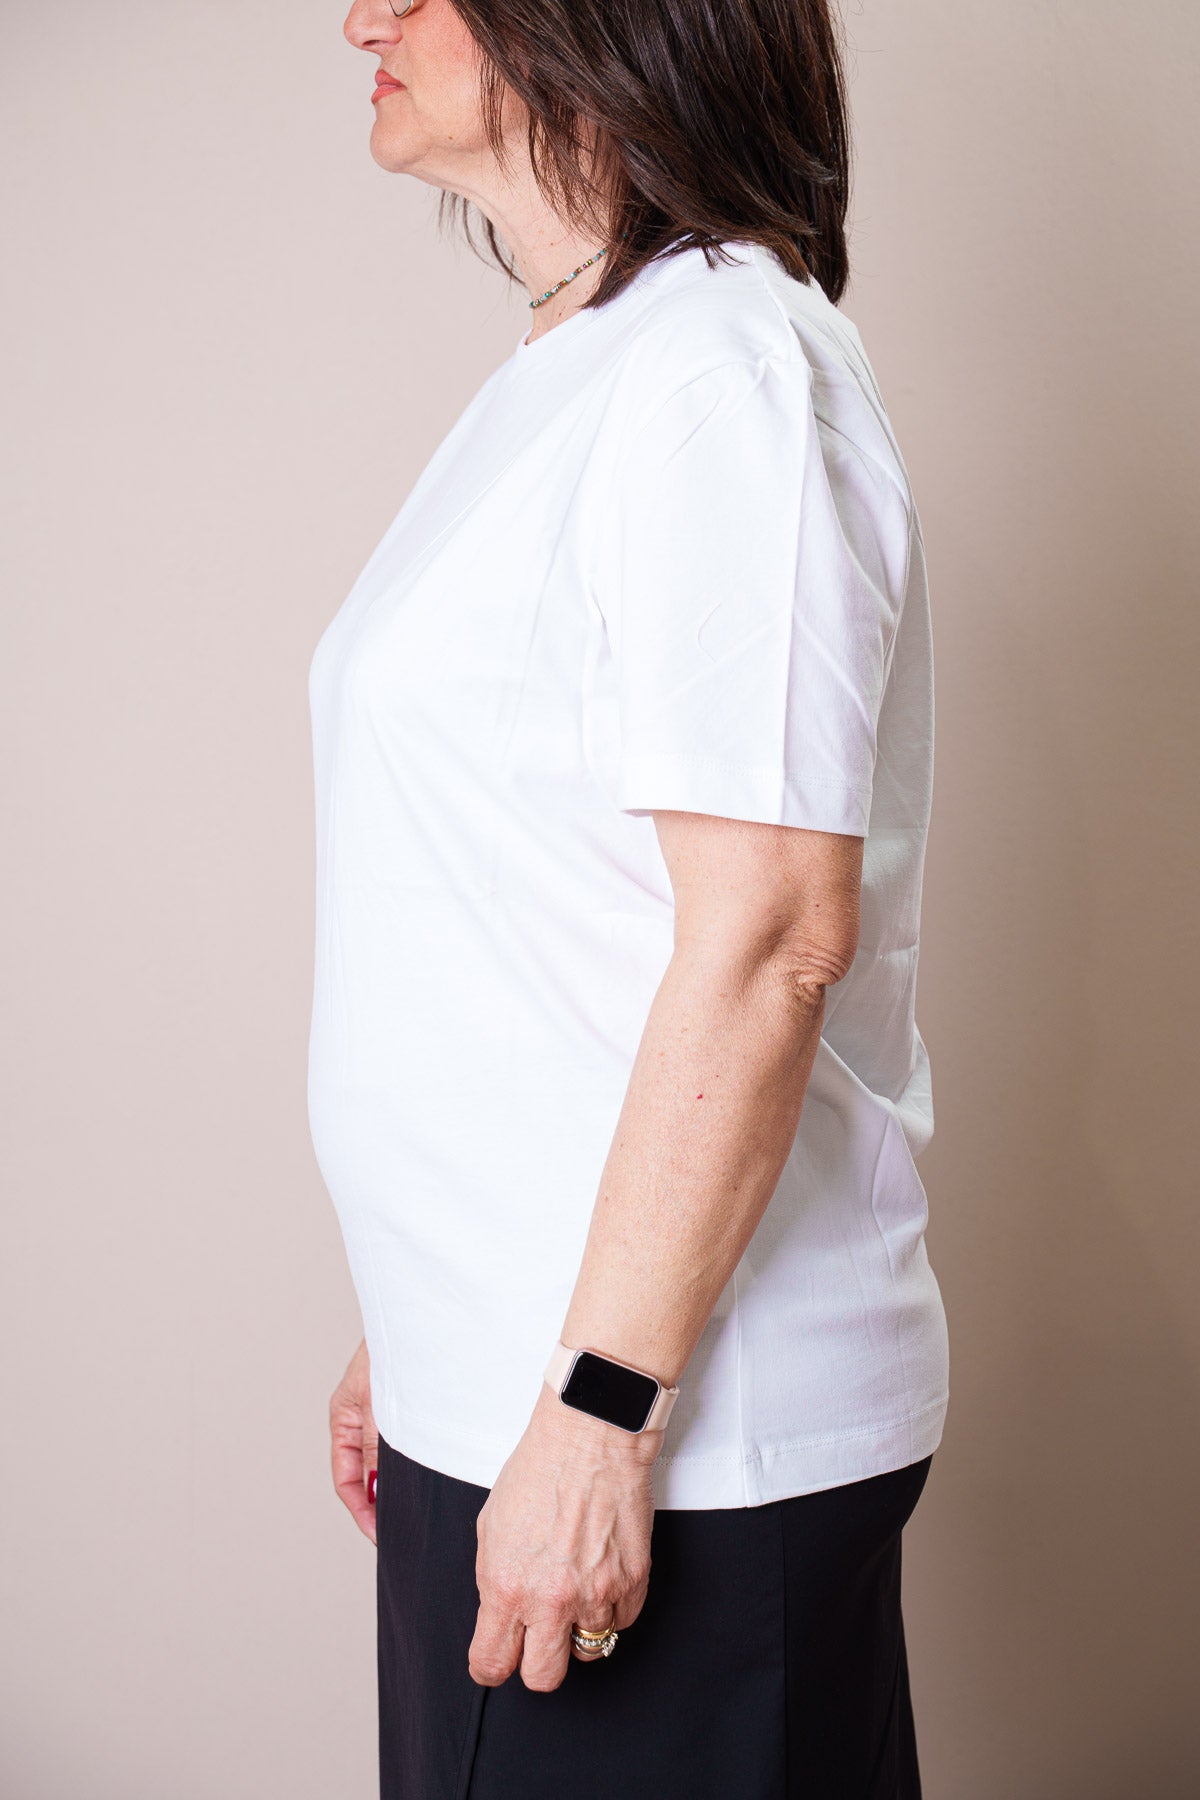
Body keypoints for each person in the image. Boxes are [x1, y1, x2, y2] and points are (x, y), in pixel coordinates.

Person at [311, 2, 950, 1794]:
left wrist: (599, 1410)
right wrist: (426, 1321)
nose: (362, 17)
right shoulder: (583, 366)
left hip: (674, 1440)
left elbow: (769, 935)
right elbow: (528, 906)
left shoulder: (719, 369)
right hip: (530, 1391)